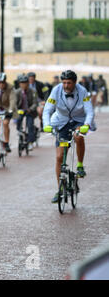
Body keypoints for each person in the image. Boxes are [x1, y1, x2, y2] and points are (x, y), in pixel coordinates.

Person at [42, 70, 95, 203]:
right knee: (59, 157)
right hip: (61, 120)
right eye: (64, 82)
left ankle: (80, 165)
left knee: (78, 137)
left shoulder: (82, 91)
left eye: (69, 83)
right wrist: (46, 124)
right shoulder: (56, 90)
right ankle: (59, 189)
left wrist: (87, 124)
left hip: (79, 120)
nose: (66, 85)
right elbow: (47, 109)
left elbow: (89, 110)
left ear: (74, 83)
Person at [15, 75, 38, 151]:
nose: (23, 85)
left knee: (30, 124)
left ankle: (30, 142)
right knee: (18, 119)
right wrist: (15, 109)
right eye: (21, 83)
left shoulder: (33, 91)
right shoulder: (17, 92)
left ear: (28, 83)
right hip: (20, 111)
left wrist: (30, 109)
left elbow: (35, 103)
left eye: (25, 83)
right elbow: (14, 102)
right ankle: (19, 131)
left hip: (30, 111)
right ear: (19, 84)